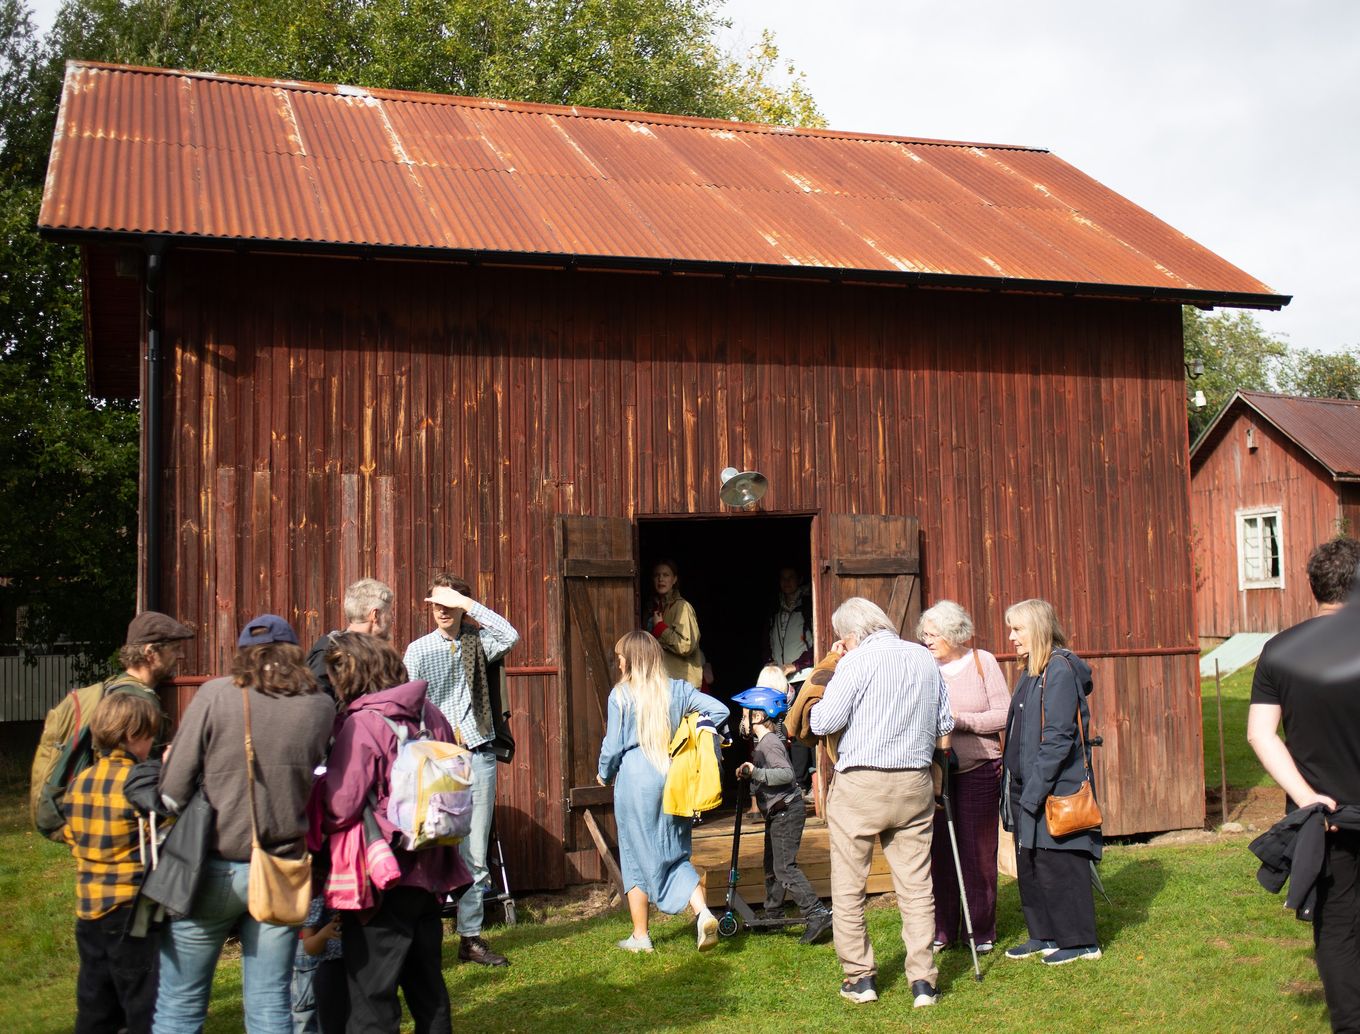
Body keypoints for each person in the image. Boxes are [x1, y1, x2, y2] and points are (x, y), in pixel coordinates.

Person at [155, 615, 334, 1034]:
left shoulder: (216, 694)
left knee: (180, 1004)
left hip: (211, 863)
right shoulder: (319, 704)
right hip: (283, 864)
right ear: (293, 652)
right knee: (271, 1004)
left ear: (242, 653)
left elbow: (172, 790)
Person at [809, 597, 953, 1008]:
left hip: (861, 783)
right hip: (914, 780)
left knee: (849, 884)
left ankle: (860, 979)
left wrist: (830, 671)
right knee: (915, 884)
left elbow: (823, 722)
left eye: (842, 640)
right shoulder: (923, 658)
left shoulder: (856, 662)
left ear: (852, 636)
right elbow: (945, 722)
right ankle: (923, 981)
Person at [323, 632, 469, 1034]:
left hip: (384, 876)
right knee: (428, 992)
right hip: (432, 869)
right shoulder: (430, 714)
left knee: (372, 999)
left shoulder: (363, 724)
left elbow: (341, 805)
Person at [1248, 537, 1360, 1030]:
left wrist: (1305, 797)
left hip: (1327, 817)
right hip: (1331, 818)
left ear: (1314, 587)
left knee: (1338, 930)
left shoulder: (1279, 649)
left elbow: (1259, 734)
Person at [402, 573, 519, 967]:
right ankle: (424, 938)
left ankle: (470, 939)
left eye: (448, 603)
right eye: (435, 603)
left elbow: (510, 635)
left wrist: (468, 605)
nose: (440, 610)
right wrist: (439, 738)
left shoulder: (477, 642)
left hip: (481, 754)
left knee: (475, 854)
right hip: (437, 760)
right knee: (432, 845)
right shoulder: (418, 651)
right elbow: (409, 708)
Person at [596, 631, 730, 953]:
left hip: (635, 780)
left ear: (632, 660)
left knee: (632, 853)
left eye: (621, 657)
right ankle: (703, 912)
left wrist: (603, 773)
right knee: (673, 850)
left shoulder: (621, 696)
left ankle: (641, 937)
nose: (618, 662)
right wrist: (689, 734)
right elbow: (720, 711)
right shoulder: (678, 690)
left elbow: (613, 746)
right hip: (671, 775)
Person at [1000, 598, 1102, 966]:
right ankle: (1043, 934)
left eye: (1017, 629)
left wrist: (1035, 791)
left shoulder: (1058, 670)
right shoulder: (1031, 670)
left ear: (1039, 629)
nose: (1011, 637)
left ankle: (1080, 941)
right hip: (1025, 784)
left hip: (1054, 787)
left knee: (1060, 862)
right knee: (1031, 862)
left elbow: (1058, 738)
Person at [32, 611, 193, 834]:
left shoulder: (114, 688)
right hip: (123, 824)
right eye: (174, 649)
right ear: (150, 653)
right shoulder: (139, 704)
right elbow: (137, 776)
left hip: (97, 816)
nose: (179, 656)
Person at [63, 691, 164, 1034]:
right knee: (142, 1004)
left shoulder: (78, 784)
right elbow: (162, 833)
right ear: (133, 735)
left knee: (95, 1002)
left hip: (89, 909)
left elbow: (72, 837)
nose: (151, 742)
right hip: (132, 912)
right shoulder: (138, 785)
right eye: (149, 734)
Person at [917, 600, 1009, 955]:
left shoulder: (982, 662)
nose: (927, 641)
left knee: (978, 852)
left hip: (979, 770)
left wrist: (961, 721)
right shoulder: (925, 667)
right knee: (939, 851)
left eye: (933, 634)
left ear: (955, 634)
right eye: (924, 634)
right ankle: (944, 929)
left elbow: (1003, 714)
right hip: (937, 773)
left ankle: (981, 930)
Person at [732, 681, 833, 945]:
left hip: (787, 811)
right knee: (771, 866)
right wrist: (749, 773)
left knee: (784, 867)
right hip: (778, 812)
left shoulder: (770, 743)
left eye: (745, 714)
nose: (742, 720)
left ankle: (816, 913)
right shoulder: (765, 743)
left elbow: (786, 774)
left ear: (758, 715)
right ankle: (773, 913)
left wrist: (756, 773)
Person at [766, 568, 815, 796]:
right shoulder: (776, 609)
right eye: (782, 578)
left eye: (791, 577)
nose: (786, 582)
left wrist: (796, 665)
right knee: (784, 729)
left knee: (802, 729)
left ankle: (803, 782)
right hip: (781, 679)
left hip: (803, 676)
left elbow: (816, 644)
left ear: (799, 579)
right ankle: (793, 781)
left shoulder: (806, 607)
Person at [305, 578, 395, 698]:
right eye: (389, 612)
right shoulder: (329, 653)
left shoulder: (382, 656)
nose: (392, 618)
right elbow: (316, 706)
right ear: (375, 615)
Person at [647, 559, 703, 689]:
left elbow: (686, 645)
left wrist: (661, 628)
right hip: (663, 684)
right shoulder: (656, 608)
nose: (660, 579)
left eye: (666, 575)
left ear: (674, 579)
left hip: (682, 687)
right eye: (657, 575)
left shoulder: (682, 607)